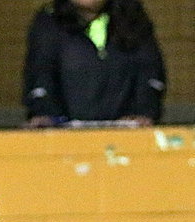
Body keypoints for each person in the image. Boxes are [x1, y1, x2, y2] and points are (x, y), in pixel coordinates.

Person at [23, 0, 166, 128]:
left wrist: (143, 113)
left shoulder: (133, 18)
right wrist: (44, 114)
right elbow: (39, 74)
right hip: (64, 132)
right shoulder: (48, 21)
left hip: (127, 132)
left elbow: (151, 73)